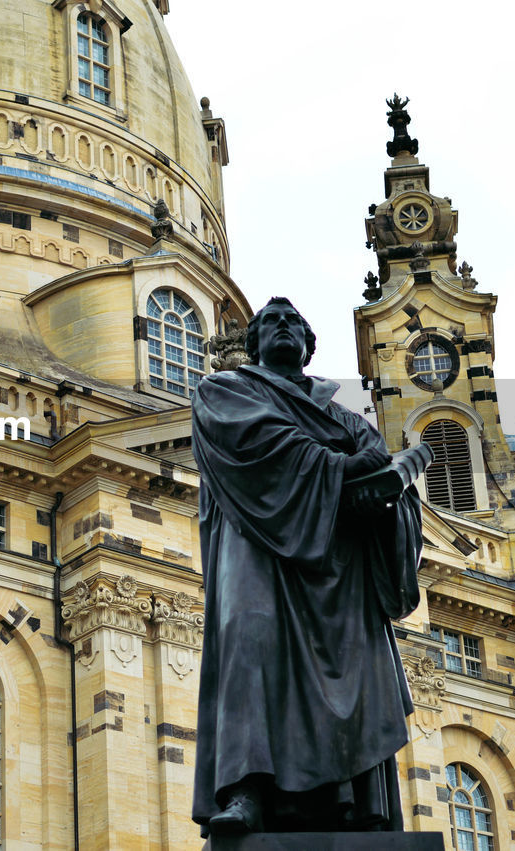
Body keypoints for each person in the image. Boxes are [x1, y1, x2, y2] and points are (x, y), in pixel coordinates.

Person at [190, 297, 425, 834]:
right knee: (249, 642)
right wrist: (342, 469)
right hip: (258, 546)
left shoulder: (344, 415)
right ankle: (246, 791)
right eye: (271, 321)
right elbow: (256, 447)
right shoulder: (225, 391)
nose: (283, 327)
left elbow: (385, 479)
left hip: (340, 569)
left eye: (293, 321)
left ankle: (360, 807)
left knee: (356, 664)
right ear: (253, 343)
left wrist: (384, 500)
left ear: (308, 343)